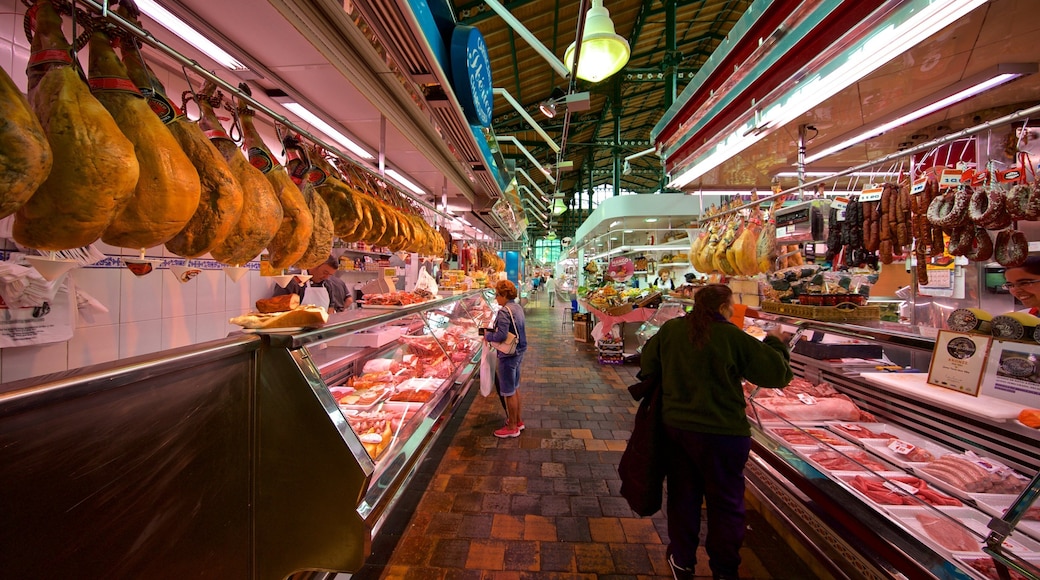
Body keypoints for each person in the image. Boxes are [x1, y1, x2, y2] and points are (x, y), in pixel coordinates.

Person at [638, 284, 791, 580]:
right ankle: (724, 568)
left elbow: (647, 364)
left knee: (683, 497)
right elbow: (776, 374)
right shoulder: (732, 336)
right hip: (725, 436)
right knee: (726, 503)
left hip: (678, 431)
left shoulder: (672, 331)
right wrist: (776, 342)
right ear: (723, 307)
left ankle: (682, 561)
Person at [483, 279, 528, 438]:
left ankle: (512, 427)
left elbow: (501, 335)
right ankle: (517, 420)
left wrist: (487, 335)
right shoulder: (517, 307)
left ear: (503, 295)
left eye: (497, 295)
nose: (496, 298)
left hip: (508, 355)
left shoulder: (504, 311)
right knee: (514, 387)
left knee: (508, 391)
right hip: (519, 350)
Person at [273, 255, 350, 312]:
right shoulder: (291, 280)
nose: (326, 277)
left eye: (330, 275)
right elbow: (277, 307)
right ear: (313, 266)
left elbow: (330, 309)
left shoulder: (327, 284)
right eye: (325, 272)